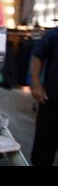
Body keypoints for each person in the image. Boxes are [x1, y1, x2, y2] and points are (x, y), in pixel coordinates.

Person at [30, 27, 58, 166]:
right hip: (52, 103)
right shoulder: (54, 35)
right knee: (42, 154)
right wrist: (35, 83)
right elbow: (38, 56)